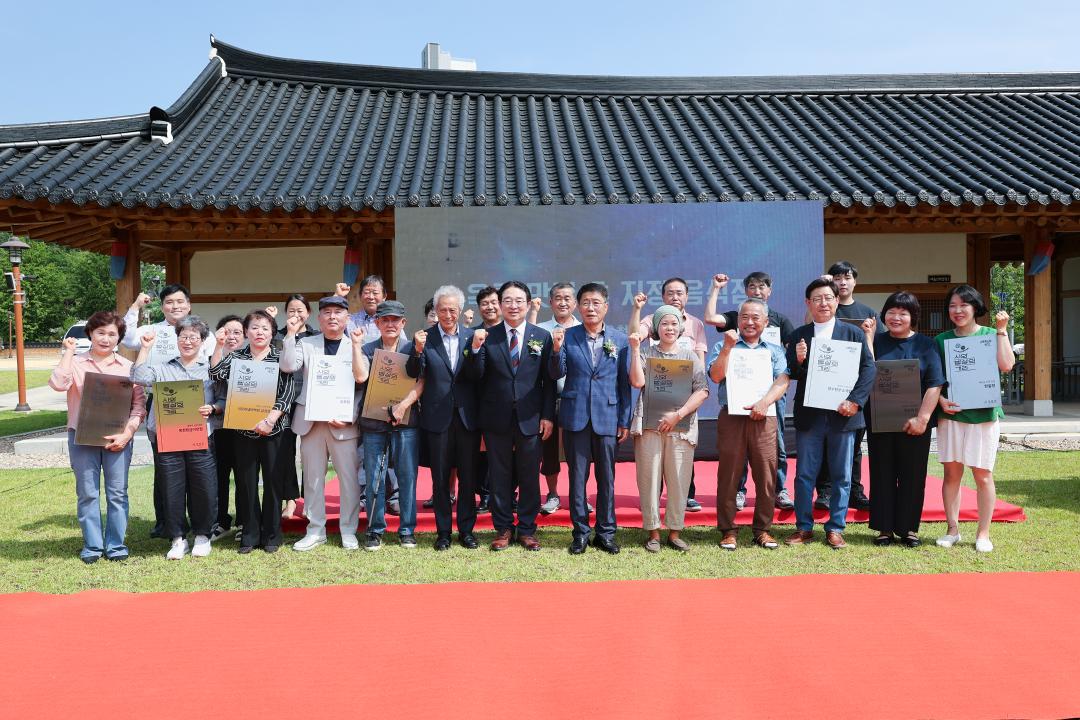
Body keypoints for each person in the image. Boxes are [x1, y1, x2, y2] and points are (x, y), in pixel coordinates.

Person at [784, 278, 876, 549]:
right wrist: (798, 360)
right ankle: (803, 527)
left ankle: (836, 527)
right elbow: (792, 374)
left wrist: (855, 401)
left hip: (843, 415)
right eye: (817, 299)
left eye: (828, 298)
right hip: (811, 416)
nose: (823, 303)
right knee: (804, 475)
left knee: (842, 475)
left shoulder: (853, 334)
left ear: (837, 301)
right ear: (808, 303)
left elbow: (868, 369)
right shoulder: (799, 335)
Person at [50, 310, 146, 563]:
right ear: (90, 333)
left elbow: (138, 407)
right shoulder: (76, 363)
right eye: (100, 332)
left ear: (119, 338)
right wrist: (68, 353)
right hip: (81, 438)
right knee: (88, 492)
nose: (105, 338)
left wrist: (127, 433)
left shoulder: (128, 368)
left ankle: (115, 544)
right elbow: (59, 384)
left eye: (112, 334)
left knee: (117, 493)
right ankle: (92, 545)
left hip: (118, 439)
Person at [121, 284, 216, 538]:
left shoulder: (203, 332)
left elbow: (214, 365)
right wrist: (134, 308)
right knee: (166, 467)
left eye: (180, 302)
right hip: (162, 402)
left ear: (189, 304)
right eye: (170, 302)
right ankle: (167, 523)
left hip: (197, 407)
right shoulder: (152, 330)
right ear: (162, 306)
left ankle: (201, 526)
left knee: (198, 469)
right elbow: (126, 337)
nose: (176, 306)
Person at [469, 280, 556, 551]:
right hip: (496, 417)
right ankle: (504, 528)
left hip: (531, 417)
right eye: (507, 300)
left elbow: (549, 381)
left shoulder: (541, 336)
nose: (513, 305)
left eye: (519, 300)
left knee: (529, 474)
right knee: (499, 475)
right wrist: (473, 350)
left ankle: (527, 529)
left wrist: (548, 415)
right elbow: (476, 378)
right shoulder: (487, 336)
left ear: (528, 304)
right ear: (499, 304)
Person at [548, 282, 632, 555]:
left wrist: (625, 420)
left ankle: (606, 533)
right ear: (577, 306)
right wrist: (557, 349)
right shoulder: (567, 336)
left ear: (606, 307)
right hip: (576, 417)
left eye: (596, 303)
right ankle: (580, 533)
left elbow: (624, 384)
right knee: (577, 478)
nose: (591, 307)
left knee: (606, 478)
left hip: (608, 417)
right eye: (585, 302)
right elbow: (555, 374)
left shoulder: (619, 340)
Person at [704, 271, 796, 511]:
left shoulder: (781, 321)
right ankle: (739, 492)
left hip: (770, 398)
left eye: (762, 286)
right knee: (735, 455)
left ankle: (779, 489)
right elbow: (711, 319)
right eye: (752, 286)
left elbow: (785, 368)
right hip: (735, 403)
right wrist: (715, 288)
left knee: (776, 447)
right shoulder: (736, 319)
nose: (750, 322)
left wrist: (766, 400)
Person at [280, 295, 364, 552]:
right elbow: (287, 366)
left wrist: (350, 415)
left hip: (343, 422)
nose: (332, 317)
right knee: (313, 479)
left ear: (347, 318)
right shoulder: (306, 343)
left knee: (348, 479)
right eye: (326, 312)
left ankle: (348, 529)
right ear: (319, 318)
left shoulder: (357, 344)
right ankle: (315, 529)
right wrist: (290, 336)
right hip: (312, 420)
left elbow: (362, 381)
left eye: (338, 312)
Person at [934, 285, 1014, 553]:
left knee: (983, 476)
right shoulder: (942, 340)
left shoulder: (992, 334)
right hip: (952, 415)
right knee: (951, 474)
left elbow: (1006, 365)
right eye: (952, 306)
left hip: (984, 416)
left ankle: (983, 533)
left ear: (975, 307)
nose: (957, 311)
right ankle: (952, 529)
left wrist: (1002, 329)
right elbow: (934, 380)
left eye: (963, 305)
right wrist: (941, 401)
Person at [862, 292, 945, 548]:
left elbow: (935, 383)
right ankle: (884, 528)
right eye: (891, 312)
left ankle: (908, 528)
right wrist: (867, 337)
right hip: (880, 419)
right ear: (883, 314)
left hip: (915, 422)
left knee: (913, 474)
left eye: (903, 313)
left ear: (913, 317)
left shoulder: (925, 345)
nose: (896, 317)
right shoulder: (876, 341)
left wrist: (923, 418)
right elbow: (866, 370)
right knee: (882, 472)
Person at [209, 309, 296, 553]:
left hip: (273, 430)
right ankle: (249, 533)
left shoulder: (280, 359)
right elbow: (216, 373)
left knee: (272, 482)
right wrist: (219, 345)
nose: (259, 332)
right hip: (243, 431)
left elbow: (287, 394)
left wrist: (269, 420)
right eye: (254, 328)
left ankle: (271, 535)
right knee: (246, 483)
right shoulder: (236, 357)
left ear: (272, 333)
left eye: (265, 328)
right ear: (246, 332)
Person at [708, 298, 791, 551]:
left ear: (766, 322)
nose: (750, 322)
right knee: (729, 474)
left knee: (766, 475)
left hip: (764, 417)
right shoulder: (725, 345)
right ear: (738, 320)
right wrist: (727, 349)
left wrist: (764, 403)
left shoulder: (774, 350)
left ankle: (762, 530)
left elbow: (783, 381)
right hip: (732, 417)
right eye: (745, 317)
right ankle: (728, 530)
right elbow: (715, 376)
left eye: (756, 317)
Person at [628, 306, 709, 552]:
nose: (669, 328)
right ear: (656, 329)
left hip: (681, 428)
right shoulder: (646, 352)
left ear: (681, 328)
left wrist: (678, 414)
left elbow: (702, 390)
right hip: (650, 426)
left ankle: (674, 532)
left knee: (679, 479)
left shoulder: (690, 356)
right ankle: (653, 531)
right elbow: (637, 382)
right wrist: (633, 350)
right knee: (649, 478)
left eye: (674, 324)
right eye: (664, 324)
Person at [406, 285, 480, 550]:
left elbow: (478, 375)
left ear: (460, 311)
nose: (447, 314)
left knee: (469, 477)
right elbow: (413, 372)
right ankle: (443, 532)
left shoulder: (473, 337)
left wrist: (478, 351)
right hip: (437, 418)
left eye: (452, 310)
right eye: (442, 310)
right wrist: (416, 350)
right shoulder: (424, 338)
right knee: (440, 479)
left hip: (467, 418)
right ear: (435, 311)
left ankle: (468, 531)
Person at [357, 300, 424, 550]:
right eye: (385, 320)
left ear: (403, 323)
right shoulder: (367, 349)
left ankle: (407, 529)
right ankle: (375, 529)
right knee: (374, 477)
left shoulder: (413, 347)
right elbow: (361, 378)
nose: (390, 324)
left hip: (406, 422)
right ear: (377, 322)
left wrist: (403, 406)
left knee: (407, 476)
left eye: (395, 320)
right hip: (374, 422)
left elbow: (421, 381)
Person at [813, 261, 876, 511]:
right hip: (824, 387)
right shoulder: (825, 308)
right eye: (836, 278)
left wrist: (869, 335)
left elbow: (871, 357)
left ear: (854, 281)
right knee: (825, 443)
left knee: (854, 445)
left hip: (854, 391)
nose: (842, 282)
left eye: (847, 277)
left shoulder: (868, 312)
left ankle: (855, 490)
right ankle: (826, 491)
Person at [269, 294, 318, 520]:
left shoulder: (317, 337)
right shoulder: (276, 336)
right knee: (285, 453)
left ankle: (310, 501)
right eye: (291, 311)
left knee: (311, 455)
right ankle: (289, 501)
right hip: (282, 401)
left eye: (300, 310)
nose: (296, 315)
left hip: (311, 401)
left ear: (308, 313)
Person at [536, 282, 580, 515]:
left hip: (577, 399)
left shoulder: (584, 329)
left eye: (567, 298)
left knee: (578, 450)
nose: (562, 302)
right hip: (549, 397)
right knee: (550, 449)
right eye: (558, 298)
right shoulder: (541, 331)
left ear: (574, 303)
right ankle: (552, 494)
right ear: (550, 302)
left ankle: (578, 495)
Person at [208, 314, 244, 540]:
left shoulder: (251, 358)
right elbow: (215, 380)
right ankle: (221, 521)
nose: (231, 336)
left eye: (237, 332)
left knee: (244, 476)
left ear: (245, 336)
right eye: (226, 331)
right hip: (220, 427)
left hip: (244, 427)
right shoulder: (212, 357)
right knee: (219, 476)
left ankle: (243, 521)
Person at [471, 285, 503, 513]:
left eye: (494, 302)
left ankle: (508, 494)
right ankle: (484, 495)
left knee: (508, 452)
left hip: (508, 403)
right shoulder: (472, 335)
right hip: (479, 403)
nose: (490, 307)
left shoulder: (511, 332)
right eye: (485, 303)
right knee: (482, 452)